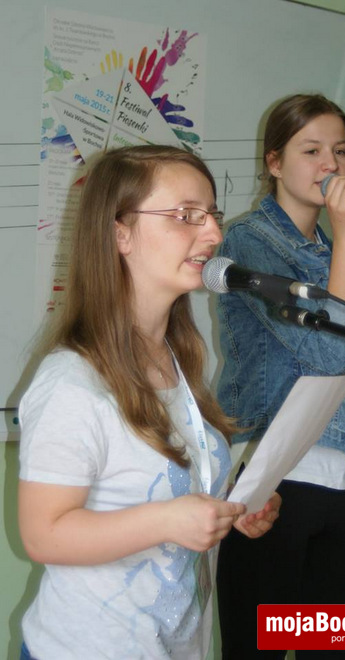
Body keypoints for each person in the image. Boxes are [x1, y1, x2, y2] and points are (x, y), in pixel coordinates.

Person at [17, 144, 281, 660]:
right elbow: (44, 535)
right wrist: (169, 521)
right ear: (120, 233)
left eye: (212, 214)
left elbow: (160, 485)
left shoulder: (175, 359)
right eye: (186, 215)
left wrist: (231, 506)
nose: (214, 234)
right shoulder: (71, 382)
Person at [215, 94, 345, 659]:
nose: (331, 165)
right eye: (311, 151)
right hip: (274, 478)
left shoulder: (330, 247)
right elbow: (330, 352)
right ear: (273, 162)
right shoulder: (249, 241)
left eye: (340, 151)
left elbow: (326, 361)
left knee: (334, 649)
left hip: (332, 479)